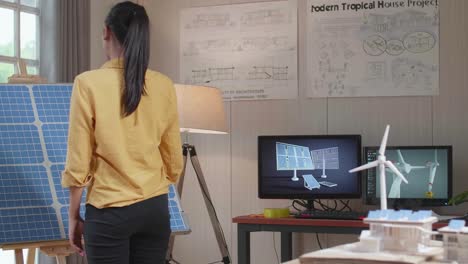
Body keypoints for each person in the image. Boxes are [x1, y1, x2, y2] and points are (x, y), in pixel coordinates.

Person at [61, 2, 183, 264]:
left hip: (109, 212)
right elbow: (174, 163)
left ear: (106, 32)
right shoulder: (163, 85)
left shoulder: (88, 83)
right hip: (155, 209)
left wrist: (73, 216)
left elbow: (78, 161)